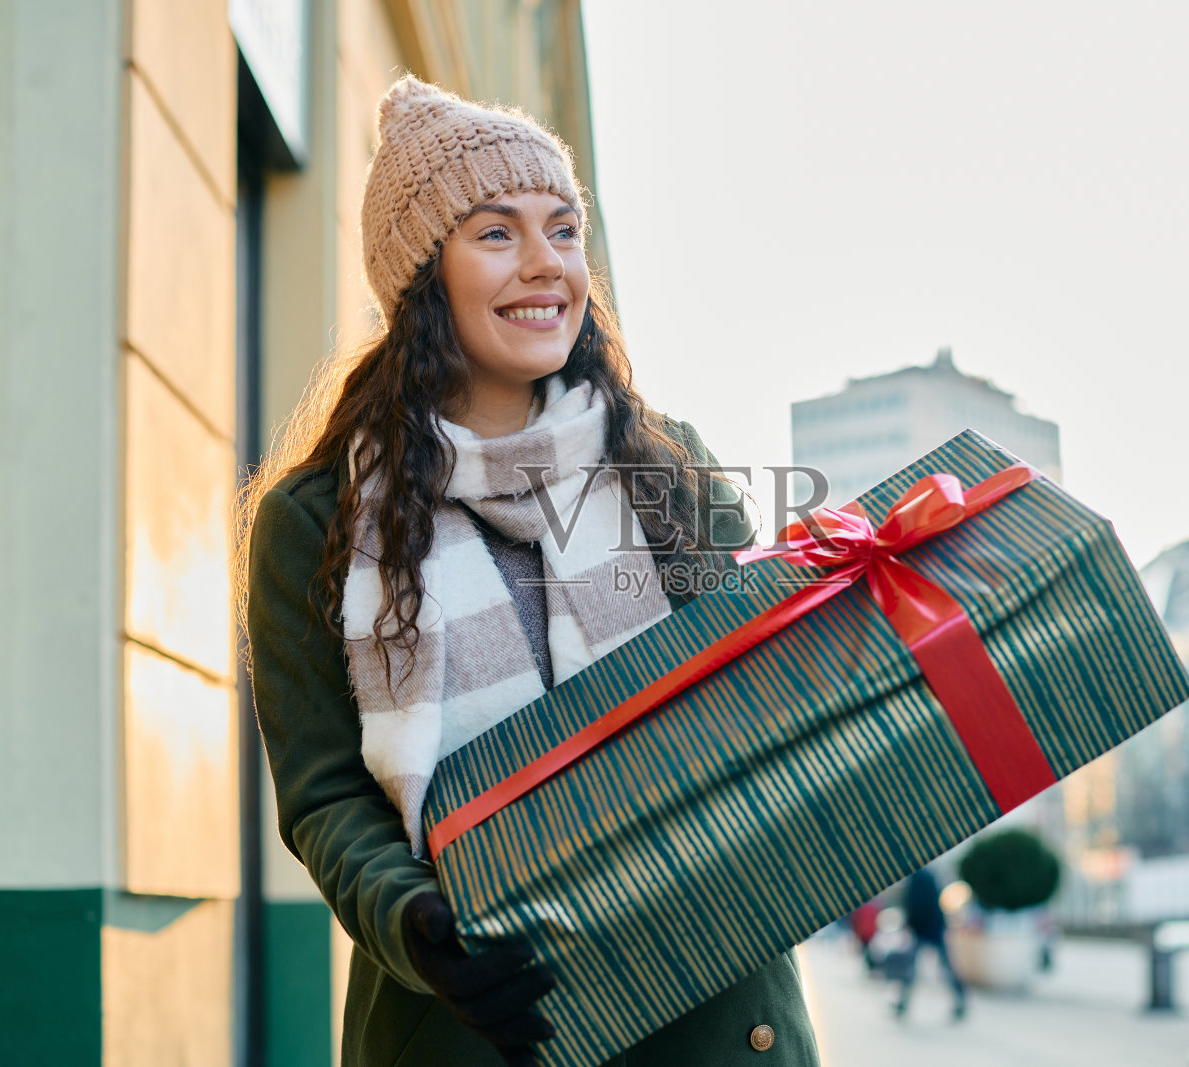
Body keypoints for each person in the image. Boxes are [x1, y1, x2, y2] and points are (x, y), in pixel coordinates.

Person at [235, 76, 820, 1067]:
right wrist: (422, 924)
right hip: (482, 1017)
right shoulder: (316, 521)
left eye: (563, 230)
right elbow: (327, 795)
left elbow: (760, 700)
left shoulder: (668, 466)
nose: (546, 263)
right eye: (497, 232)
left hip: (712, 1006)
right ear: (422, 275)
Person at [892, 867, 968, 1021]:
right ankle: (960, 1000)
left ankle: (903, 1003)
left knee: (914, 967)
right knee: (940, 966)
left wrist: (911, 924)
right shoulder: (924, 875)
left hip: (927, 928)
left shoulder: (919, 877)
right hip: (931, 928)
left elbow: (917, 904)